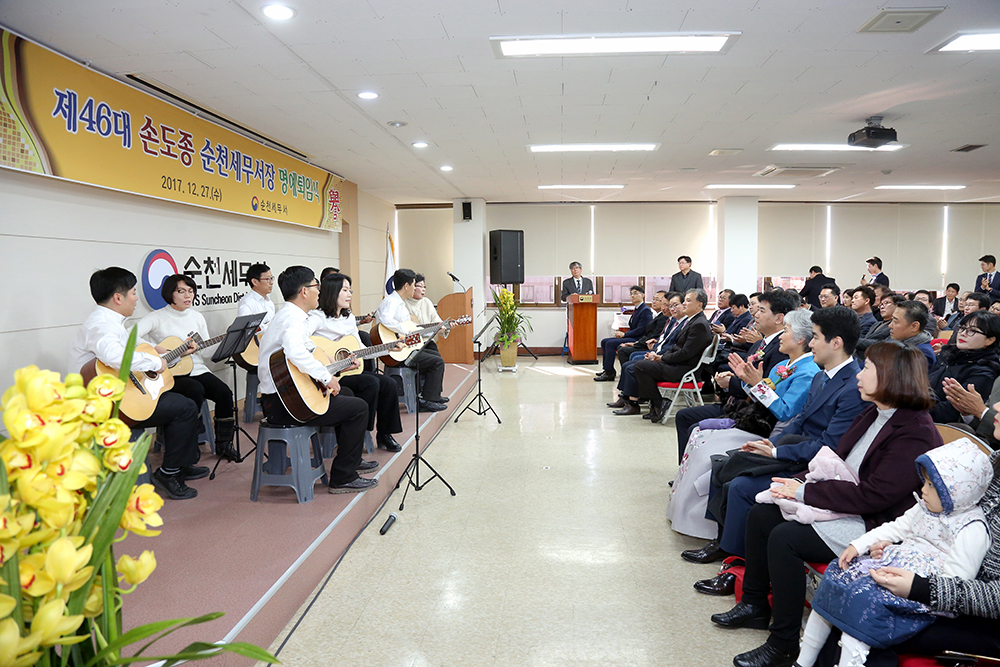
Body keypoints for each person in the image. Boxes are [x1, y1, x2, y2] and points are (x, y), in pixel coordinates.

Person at [711, 341, 941, 667]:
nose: (859, 375)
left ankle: (783, 642)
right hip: (846, 503)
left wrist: (804, 493)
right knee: (762, 513)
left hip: (875, 523)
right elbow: (832, 460)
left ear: (892, 377)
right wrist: (797, 484)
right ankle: (754, 604)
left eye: (868, 369)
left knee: (785, 538)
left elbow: (875, 496)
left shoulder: (914, 431)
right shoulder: (875, 412)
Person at [687, 306, 866, 580]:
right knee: (724, 462)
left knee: (740, 485)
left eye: (816, 337)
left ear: (836, 343)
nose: (811, 344)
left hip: (813, 464)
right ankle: (724, 544)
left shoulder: (848, 385)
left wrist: (776, 449)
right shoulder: (820, 375)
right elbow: (800, 419)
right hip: (788, 442)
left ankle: (737, 564)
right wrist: (771, 444)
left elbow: (824, 442)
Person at [796, 438, 992, 667]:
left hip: (918, 589)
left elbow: (953, 583)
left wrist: (917, 582)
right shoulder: (926, 507)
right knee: (833, 585)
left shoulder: (972, 529)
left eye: (931, 486)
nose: (923, 490)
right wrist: (858, 545)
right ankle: (802, 662)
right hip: (892, 569)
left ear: (956, 492)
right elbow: (895, 527)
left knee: (860, 613)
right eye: (926, 482)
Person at [667, 308, 820, 543]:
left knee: (711, 452)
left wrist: (757, 384)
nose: (781, 336)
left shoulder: (807, 372)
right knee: (700, 437)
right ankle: (688, 513)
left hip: (772, 431)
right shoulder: (786, 364)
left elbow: (785, 411)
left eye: (786, 331)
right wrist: (748, 381)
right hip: (758, 421)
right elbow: (762, 395)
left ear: (801, 339)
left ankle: (711, 529)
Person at [68, 267, 204, 500]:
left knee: (186, 396)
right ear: (118, 298)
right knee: (185, 407)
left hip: (122, 395)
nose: (136, 298)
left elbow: (134, 348)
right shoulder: (100, 325)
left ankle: (180, 464)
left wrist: (162, 353)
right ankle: (169, 473)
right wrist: (155, 361)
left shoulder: (112, 322)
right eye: (132, 293)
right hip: (110, 406)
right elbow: (115, 356)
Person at [257, 265, 378, 494]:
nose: (320, 291)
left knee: (348, 394)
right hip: (284, 404)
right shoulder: (292, 319)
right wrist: (327, 377)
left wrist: (338, 367)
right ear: (304, 291)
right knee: (359, 408)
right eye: (316, 286)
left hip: (284, 398)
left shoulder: (291, 316)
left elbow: (308, 354)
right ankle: (343, 477)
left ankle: (350, 462)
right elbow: (296, 353)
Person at [674, 291, 795, 463]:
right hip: (736, 403)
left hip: (751, 412)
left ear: (779, 318)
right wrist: (731, 377)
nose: (755, 314)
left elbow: (766, 386)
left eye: (761, 310)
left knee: (691, 423)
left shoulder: (780, 349)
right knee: (684, 417)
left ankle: (690, 468)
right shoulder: (761, 343)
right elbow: (748, 376)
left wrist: (731, 382)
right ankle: (687, 468)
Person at [136, 274, 239, 462]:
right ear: (170, 293)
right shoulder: (156, 317)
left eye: (191, 291)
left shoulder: (197, 317)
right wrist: (158, 349)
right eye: (181, 291)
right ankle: (190, 443)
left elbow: (206, 353)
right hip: (169, 373)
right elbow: (130, 335)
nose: (187, 296)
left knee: (224, 393)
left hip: (197, 369)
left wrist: (225, 342)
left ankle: (224, 443)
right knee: (194, 390)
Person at [307, 272, 404, 452]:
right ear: (332, 292)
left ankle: (385, 434)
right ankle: (359, 433)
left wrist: (389, 349)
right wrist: (327, 356)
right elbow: (303, 342)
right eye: (345, 290)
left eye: (349, 290)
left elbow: (361, 350)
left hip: (349, 372)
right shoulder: (316, 317)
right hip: (328, 377)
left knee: (388, 383)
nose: (349, 294)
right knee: (371, 382)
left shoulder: (348, 318)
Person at [630, 289, 713, 421]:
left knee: (641, 367)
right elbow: (676, 347)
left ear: (699, 304)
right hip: (678, 364)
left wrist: (662, 358)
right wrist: (658, 357)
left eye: (688, 301)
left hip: (684, 369)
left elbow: (686, 353)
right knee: (642, 364)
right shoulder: (693, 321)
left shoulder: (699, 325)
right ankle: (657, 405)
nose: (684, 303)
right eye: (685, 300)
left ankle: (659, 404)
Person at [375, 269, 448, 411]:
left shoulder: (400, 304)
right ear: (406, 286)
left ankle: (431, 395)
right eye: (414, 284)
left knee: (434, 354)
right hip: (395, 351)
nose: (415, 288)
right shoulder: (391, 302)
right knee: (436, 362)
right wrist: (404, 330)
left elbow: (410, 327)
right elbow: (385, 319)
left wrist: (422, 330)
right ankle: (426, 401)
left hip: (405, 347)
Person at [609, 292, 685, 412]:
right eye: (668, 305)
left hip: (670, 362)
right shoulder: (673, 321)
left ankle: (634, 402)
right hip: (657, 351)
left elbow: (675, 346)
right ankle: (626, 397)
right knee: (628, 362)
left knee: (633, 364)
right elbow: (662, 339)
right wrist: (655, 347)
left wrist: (657, 354)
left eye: (672, 305)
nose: (668, 308)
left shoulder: (682, 323)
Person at [927, 311, 1000, 424]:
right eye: (962, 328)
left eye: (973, 331)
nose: (963, 333)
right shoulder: (947, 354)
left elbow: (949, 412)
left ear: (990, 340)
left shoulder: (985, 371)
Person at [594, 285, 653, 381]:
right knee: (604, 341)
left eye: (635, 293)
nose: (632, 296)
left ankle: (609, 373)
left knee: (610, 343)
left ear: (643, 295)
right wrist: (623, 335)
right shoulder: (637, 309)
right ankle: (607, 369)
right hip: (633, 335)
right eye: (631, 294)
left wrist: (625, 335)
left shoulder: (645, 310)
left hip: (638, 338)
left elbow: (641, 329)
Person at [615, 290, 669, 367]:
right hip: (644, 341)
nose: (654, 302)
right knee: (621, 348)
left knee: (624, 351)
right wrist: (636, 343)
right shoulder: (658, 316)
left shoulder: (663, 318)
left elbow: (652, 335)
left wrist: (635, 344)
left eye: (657, 300)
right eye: (653, 299)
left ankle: (626, 371)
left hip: (649, 345)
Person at [888, 301, 936, 369]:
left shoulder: (921, 354)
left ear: (914, 326)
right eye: (892, 320)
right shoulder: (896, 340)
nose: (890, 325)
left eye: (895, 321)